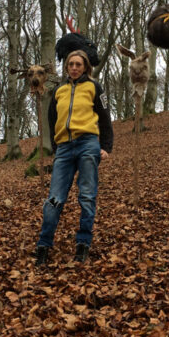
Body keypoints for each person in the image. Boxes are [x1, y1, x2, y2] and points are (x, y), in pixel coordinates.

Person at [35, 49, 113, 265]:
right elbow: (52, 120)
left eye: (79, 64)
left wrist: (106, 146)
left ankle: (83, 245)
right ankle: (43, 245)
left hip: (88, 144)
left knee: (87, 196)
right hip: (64, 148)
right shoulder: (59, 90)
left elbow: (105, 116)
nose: (75, 68)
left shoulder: (95, 87)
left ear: (85, 67)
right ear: (67, 67)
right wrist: (55, 146)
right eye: (71, 64)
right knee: (54, 199)